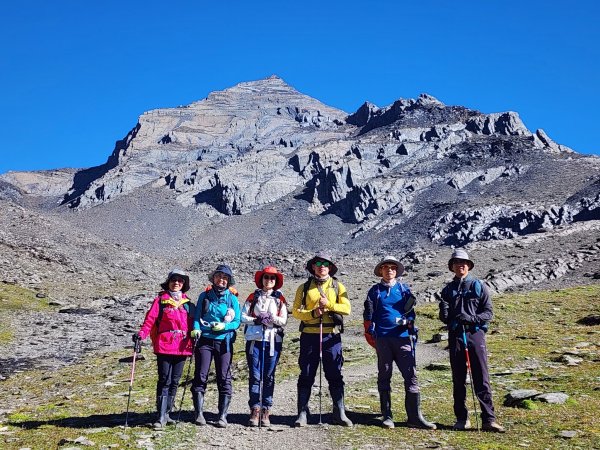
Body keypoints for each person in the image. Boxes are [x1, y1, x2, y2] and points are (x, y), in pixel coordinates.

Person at [363, 256, 436, 429]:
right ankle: (387, 416)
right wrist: (370, 335)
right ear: (381, 270)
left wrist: (408, 323)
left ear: (396, 271)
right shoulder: (374, 291)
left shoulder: (404, 290)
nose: (389, 270)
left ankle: (414, 417)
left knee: (411, 375)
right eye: (386, 267)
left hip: (403, 338)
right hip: (383, 339)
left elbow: (411, 313)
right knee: (384, 375)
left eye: (392, 267)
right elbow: (368, 315)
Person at [438, 249, 505, 433]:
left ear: (468, 266)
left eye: (464, 263)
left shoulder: (478, 286)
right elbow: (444, 318)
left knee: (481, 377)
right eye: (457, 262)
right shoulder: (447, 290)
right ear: (452, 266)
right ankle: (461, 419)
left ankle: (489, 419)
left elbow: (488, 313)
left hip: (475, 335)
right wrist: (443, 311)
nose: (461, 265)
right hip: (456, 336)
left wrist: (471, 318)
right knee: (458, 379)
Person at [292, 252, 352, 427]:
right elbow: (295, 311)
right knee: (307, 373)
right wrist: (313, 313)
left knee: (334, 373)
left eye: (325, 263)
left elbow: (346, 309)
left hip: (331, 336)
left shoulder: (338, 286)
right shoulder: (303, 288)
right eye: (318, 263)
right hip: (309, 335)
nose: (321, 266)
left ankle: (339, 413)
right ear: (313, 267)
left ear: (330, 267)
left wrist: (329, 305)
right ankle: (302, 413)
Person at [133, 269, 194, 428]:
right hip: (165, 346)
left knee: (174, 381)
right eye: (173, 280)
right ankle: (160, 415)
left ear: (183, 284)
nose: (176, 283)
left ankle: (167, 414)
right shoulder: (160, 301)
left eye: (180, 281)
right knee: (164, 379)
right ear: (168, 282)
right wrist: (141, 335)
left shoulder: (188, 304)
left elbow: (194, 324)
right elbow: (150, 320)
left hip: (182, 347)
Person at [190, 264, 241, 428]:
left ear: (228, 281)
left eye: (225, 278)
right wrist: (196, 329)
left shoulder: (232, 299)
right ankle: (198, 414)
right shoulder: (204, 296)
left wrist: (224, 327)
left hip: (224, 341)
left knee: (224, 377)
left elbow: (237, 321)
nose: (222, 280)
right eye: (219, 276)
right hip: (204, 340)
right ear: (213, 278)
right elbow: (197, 316)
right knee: (201, 375)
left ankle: (222, 416)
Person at [241, 266, 288, 427]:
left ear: (276, 281)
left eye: (272, 278)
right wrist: (257, 320)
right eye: (266, 277)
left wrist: (271, 318)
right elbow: (242, 317)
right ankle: (255, 409)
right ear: (261, 279)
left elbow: (284, 321)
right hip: (255, 340)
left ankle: (266, 409)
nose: (269, 280)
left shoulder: (280, 298)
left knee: (269, 376)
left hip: (272, 341)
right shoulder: (252, 296)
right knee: (255, 376)